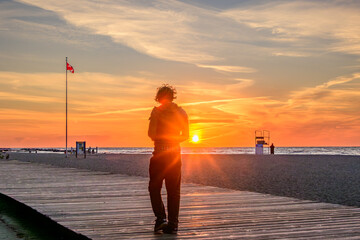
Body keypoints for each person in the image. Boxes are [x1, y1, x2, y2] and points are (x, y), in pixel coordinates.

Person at [148, 84, 189, 234]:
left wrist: (163, 137)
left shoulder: (157, 112)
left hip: (160, 154)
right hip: (174, 154)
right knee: (173, 190)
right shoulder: (181, 112)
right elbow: (185, 135)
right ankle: (173, 224)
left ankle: (161, 219)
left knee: (154, 188)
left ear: (159, 98)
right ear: (172, 96)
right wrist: (173, 138)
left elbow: (151, 134)